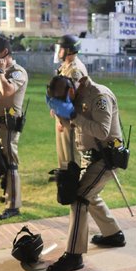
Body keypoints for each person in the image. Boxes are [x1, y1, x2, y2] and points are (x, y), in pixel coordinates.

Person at [46, 76, 126, 271]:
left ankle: (74, 256)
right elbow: (72, 127)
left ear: (71, 91)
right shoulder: (75, 97)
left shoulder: (99, 96)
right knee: (90, 194)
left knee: (80, 198)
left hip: (107, 157)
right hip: (90, 156)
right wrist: (60, 114)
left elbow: (102, 131)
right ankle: (113, 234)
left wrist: (73, 114)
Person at [0, 36, 28, 220]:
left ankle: (14, 205)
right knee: (0, 161)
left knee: (11, 164)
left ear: (4, 53)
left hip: (8, 126)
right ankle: (7, 194)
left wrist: (0, 72)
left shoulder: (17, 72)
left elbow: (7, 91)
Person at [52, 34, 87, 173]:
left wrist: (60, 115)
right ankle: (65, 183)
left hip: (70, 120)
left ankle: (73, 186)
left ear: (68, 50)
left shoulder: (75, 70)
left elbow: (71, 98)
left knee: (71, 156)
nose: (58, 51)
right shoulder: (66, 67)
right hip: (63, 117)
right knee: (63, 156)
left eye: (60, 48)